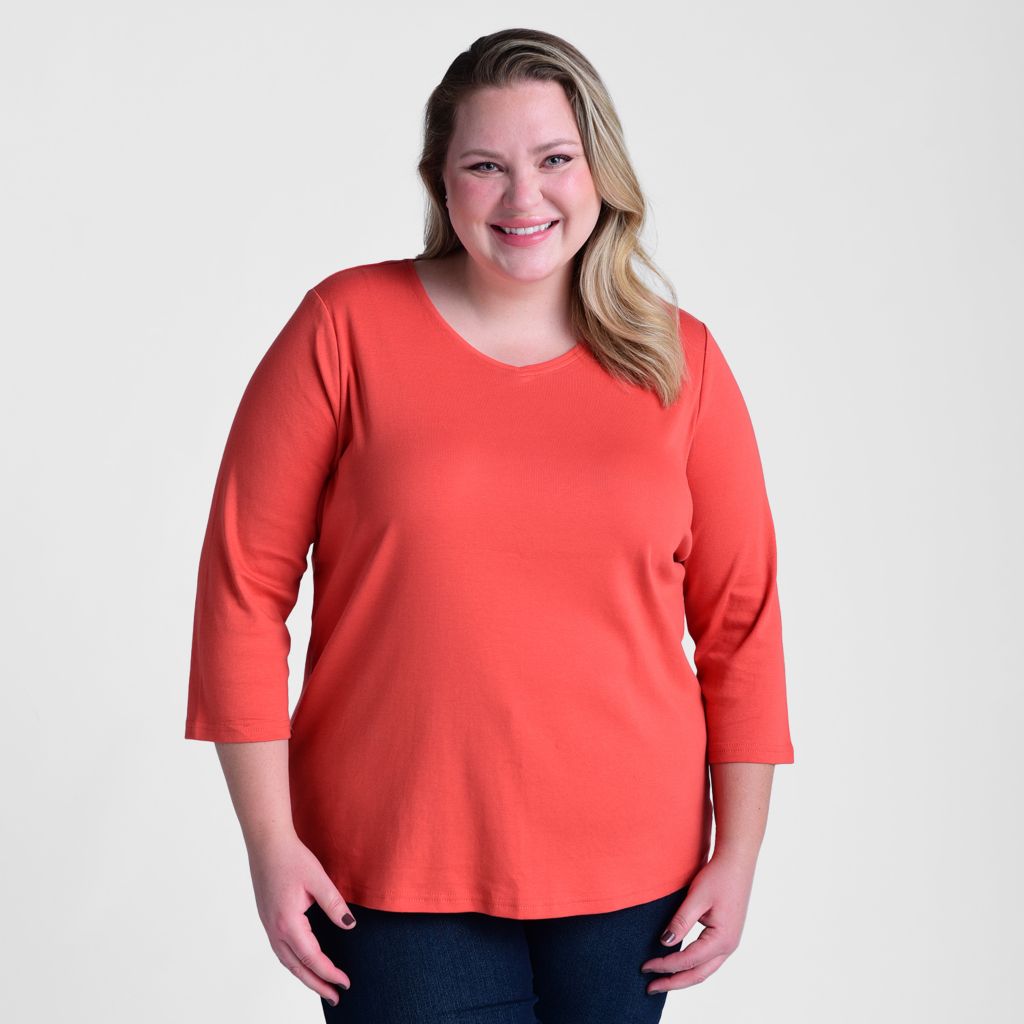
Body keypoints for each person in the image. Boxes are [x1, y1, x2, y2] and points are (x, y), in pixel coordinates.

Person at [184, 27, 795, 1024]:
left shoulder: (681, 363)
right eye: (485, 166)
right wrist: (268, 839)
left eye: (554, 159)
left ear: (599, 171)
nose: (523, 197)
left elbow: (741, 621)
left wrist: (742, 849)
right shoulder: (344, 327)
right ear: (441, 178)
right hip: (389, 866)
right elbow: (243, 588)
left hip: (634, 875)